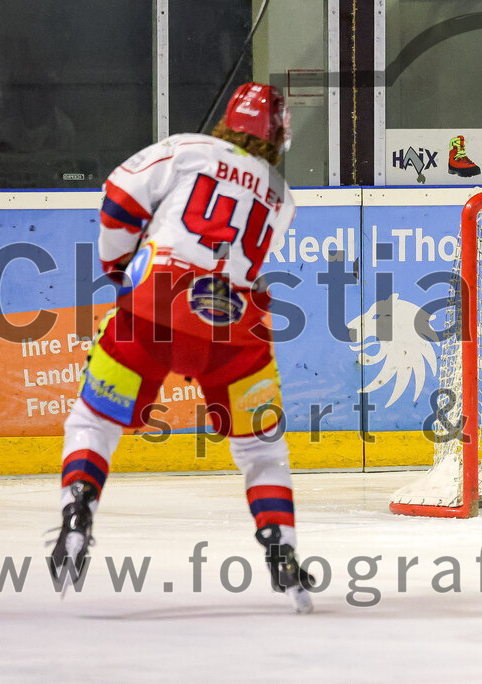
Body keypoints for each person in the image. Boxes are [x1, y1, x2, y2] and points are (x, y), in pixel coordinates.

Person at [49, 83, 314, 613]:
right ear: (278, 138)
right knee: (262, 448)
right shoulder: (283, 198)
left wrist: (118, 268)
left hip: (155, 308)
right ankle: (281, 548)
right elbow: (249, 267)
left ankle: (78, 509)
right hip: (236, 329)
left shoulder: (186, 148)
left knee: (93, 421)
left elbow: (120, 198)